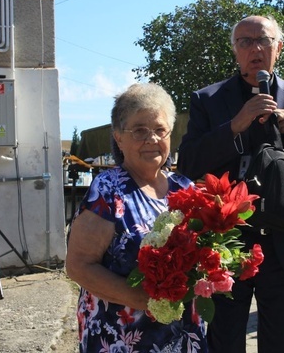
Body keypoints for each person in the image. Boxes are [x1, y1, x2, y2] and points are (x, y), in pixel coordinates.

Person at [178, 15, 284, 352]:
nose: (255, 48)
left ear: (278, 47)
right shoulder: (209, 100)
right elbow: (189, 163)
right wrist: (235, 126)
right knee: (224, 342)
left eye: (263, 40)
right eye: (245, 42)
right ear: (235, 51)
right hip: (226, 245)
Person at [65, 83, 207, 352]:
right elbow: (79, 266)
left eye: (159, 130)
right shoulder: (108, 191)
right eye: (140, 130)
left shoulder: (185, 188)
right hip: (121, 336)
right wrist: (147, 300)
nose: (152, 139)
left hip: (183, 333)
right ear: (119, 137)